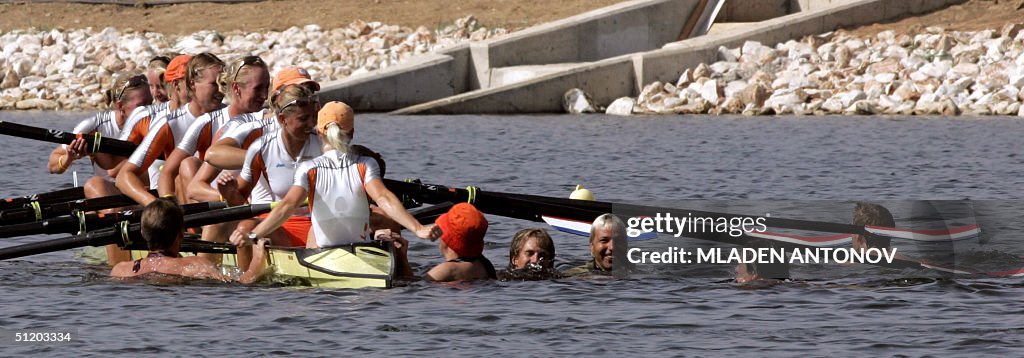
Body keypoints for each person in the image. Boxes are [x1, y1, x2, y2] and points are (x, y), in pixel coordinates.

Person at [226, 101, 431, 270]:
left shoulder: (309, 168)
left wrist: (255, 235)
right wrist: (419, 229)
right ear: (351, 133)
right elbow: (384, 198)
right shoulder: (366, 164)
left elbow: (287, 206)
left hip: (320, 253)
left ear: (319, 131)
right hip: (359, 249)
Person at [116, 52, 226, 206]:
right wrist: (157, 206)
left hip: (223, 197)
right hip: (182, 201)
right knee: (188, 165)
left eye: (224, 83)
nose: (222, 91)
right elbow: (121, 174)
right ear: (190, 83)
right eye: (214, 84)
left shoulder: (235, 117)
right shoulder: (163, 121)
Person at [110, 198, 268, 283]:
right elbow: (243, 283)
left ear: (143, 233)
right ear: (181, 234)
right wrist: (258, 257)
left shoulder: (120, 270)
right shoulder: (195, 265)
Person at [424, 203, 496, 282]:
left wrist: (407, 263)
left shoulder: (447, 270)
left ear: (447, 238)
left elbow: (420, 286)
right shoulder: (485, 265)